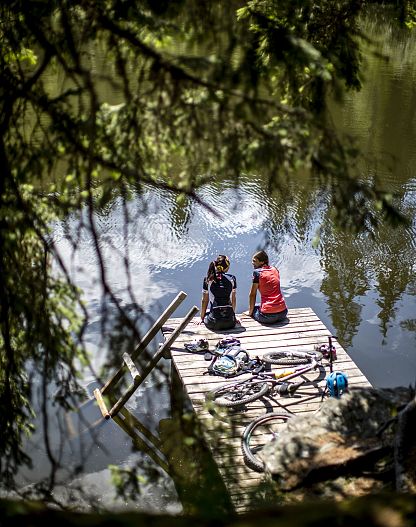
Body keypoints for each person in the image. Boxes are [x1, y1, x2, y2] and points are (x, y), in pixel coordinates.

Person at [247, 250, 288, 324]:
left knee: (254, 308)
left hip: (267, 316)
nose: (252, 263)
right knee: (258, 305)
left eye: (254, 261)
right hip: (283, 312)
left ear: (262, 262)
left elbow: (252, 294)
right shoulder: (275, 269)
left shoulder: (257, 273)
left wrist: (250, 312)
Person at [199, 255, 238, 330]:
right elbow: (233, 299)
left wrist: (201, 318)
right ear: (227, 267)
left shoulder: (208, 279)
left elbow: (205, 300)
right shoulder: (232, 278)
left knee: (208, 312)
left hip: (214, 324)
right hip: (231, 323)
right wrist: (233, 316)